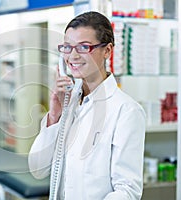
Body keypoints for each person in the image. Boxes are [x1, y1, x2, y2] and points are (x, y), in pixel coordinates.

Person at [28, 11, 146, 200]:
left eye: (84, 47)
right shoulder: (68, 103)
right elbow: (37, 169)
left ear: (107, 51)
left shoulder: (126, 111)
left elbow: (127, 191)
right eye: (67, 47)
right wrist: (55, 115)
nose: (72, 56)